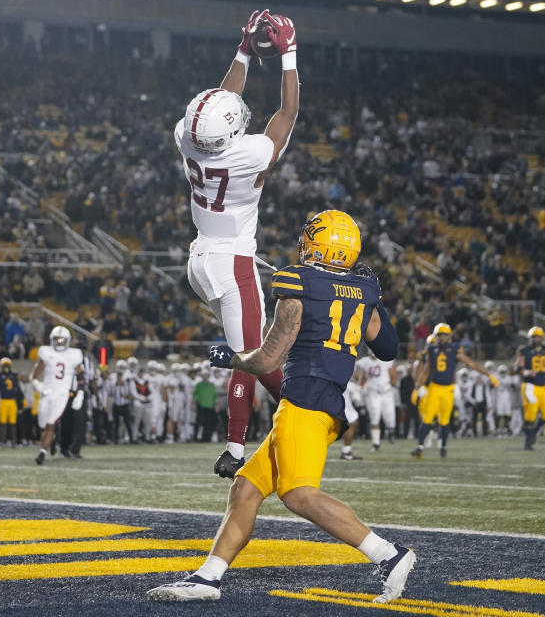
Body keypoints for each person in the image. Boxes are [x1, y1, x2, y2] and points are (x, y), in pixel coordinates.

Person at [146, 209, 415, 604]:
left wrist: (231, 357)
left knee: (299, 494)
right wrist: (373, 296)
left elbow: (269, 359)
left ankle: (388, 555)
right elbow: (388, 348)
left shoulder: (298, 281)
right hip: (327, 402)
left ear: (318, 244)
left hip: (304, 400)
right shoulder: (363, 291)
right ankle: (208, 578)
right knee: (247, 488)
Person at [175, 9, 298, 478]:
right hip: (232, 264)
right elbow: (287, 112)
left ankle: (304, 409)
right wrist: (288, 54)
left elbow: (225, 98)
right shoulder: (249, 155)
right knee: (247, 357)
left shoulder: (187, 137)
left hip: (200, 260)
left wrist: (244, 48)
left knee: (256, 354)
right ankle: (235, 447)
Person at [412, 323, 497, 458]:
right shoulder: (432, 350)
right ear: (436, 336)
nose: (442, 337)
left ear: (449, 335)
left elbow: (471, 364)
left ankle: (443, 448)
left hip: (448, 389)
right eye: (440, 335)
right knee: (427, 418)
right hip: (434, 388)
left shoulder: (455, 349)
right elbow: (425, 372)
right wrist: (417, 388)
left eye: (444, 334)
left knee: (444, 421)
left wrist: (488, 374)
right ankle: (420, 447)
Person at [29, 326, 85, 465]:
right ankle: (51, 441)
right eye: (57, 340)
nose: (59, 342)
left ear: (68, 341)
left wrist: (80, 394)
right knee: (42, 424)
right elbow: (35, 374)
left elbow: (81, 377)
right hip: (47, 393)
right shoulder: (46, 352)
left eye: (62, 340)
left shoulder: (74, 355)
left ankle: (42, 453)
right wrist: (38, 385)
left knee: (50, 424)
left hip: (62, 394)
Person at [516, 327, 545, 450]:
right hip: (530, 386)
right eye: (533, 337)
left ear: (542, 337)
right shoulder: (524, 351)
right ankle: (528, 443)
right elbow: (517, 368)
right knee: (530, 416)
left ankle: (532, 433)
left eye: (537, 336)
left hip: (544, 387)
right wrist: (527, 373)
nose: (535, 339)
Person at [356, 350, 398, 451]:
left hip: (386, 393)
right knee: (374, 417)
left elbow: (395, 378)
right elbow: (360, 377)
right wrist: (359, 388)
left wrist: (388, 387)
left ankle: (391, 431)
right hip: (372, 392)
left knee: (389, 416)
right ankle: (376, 443)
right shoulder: (364, 361)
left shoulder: (386, 360)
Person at [0, 357, 23, 446]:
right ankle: (2, 441)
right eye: (5, 365)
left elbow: (18, 388)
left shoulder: (15, 375)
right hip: (3, 401)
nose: (6, 367)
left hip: (12, 401)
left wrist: (22, 398)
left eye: (7, 365)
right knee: (2, 423)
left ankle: (13, 441)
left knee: (13, 423)